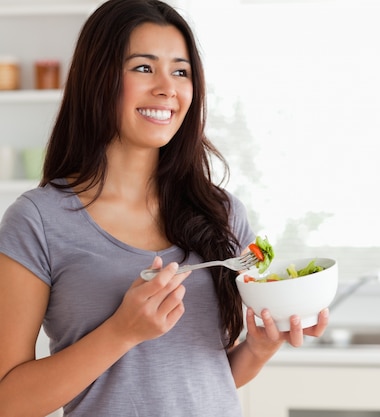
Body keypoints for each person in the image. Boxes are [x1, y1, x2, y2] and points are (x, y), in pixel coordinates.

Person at [0, 0, 329, 416]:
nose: (167, 88)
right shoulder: (37, 222)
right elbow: (7, 400)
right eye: (143, 67)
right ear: (96, 78)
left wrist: (259, 349)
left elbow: (203, 376)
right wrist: (121, 333)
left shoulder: (221, 213)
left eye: (181, 71)